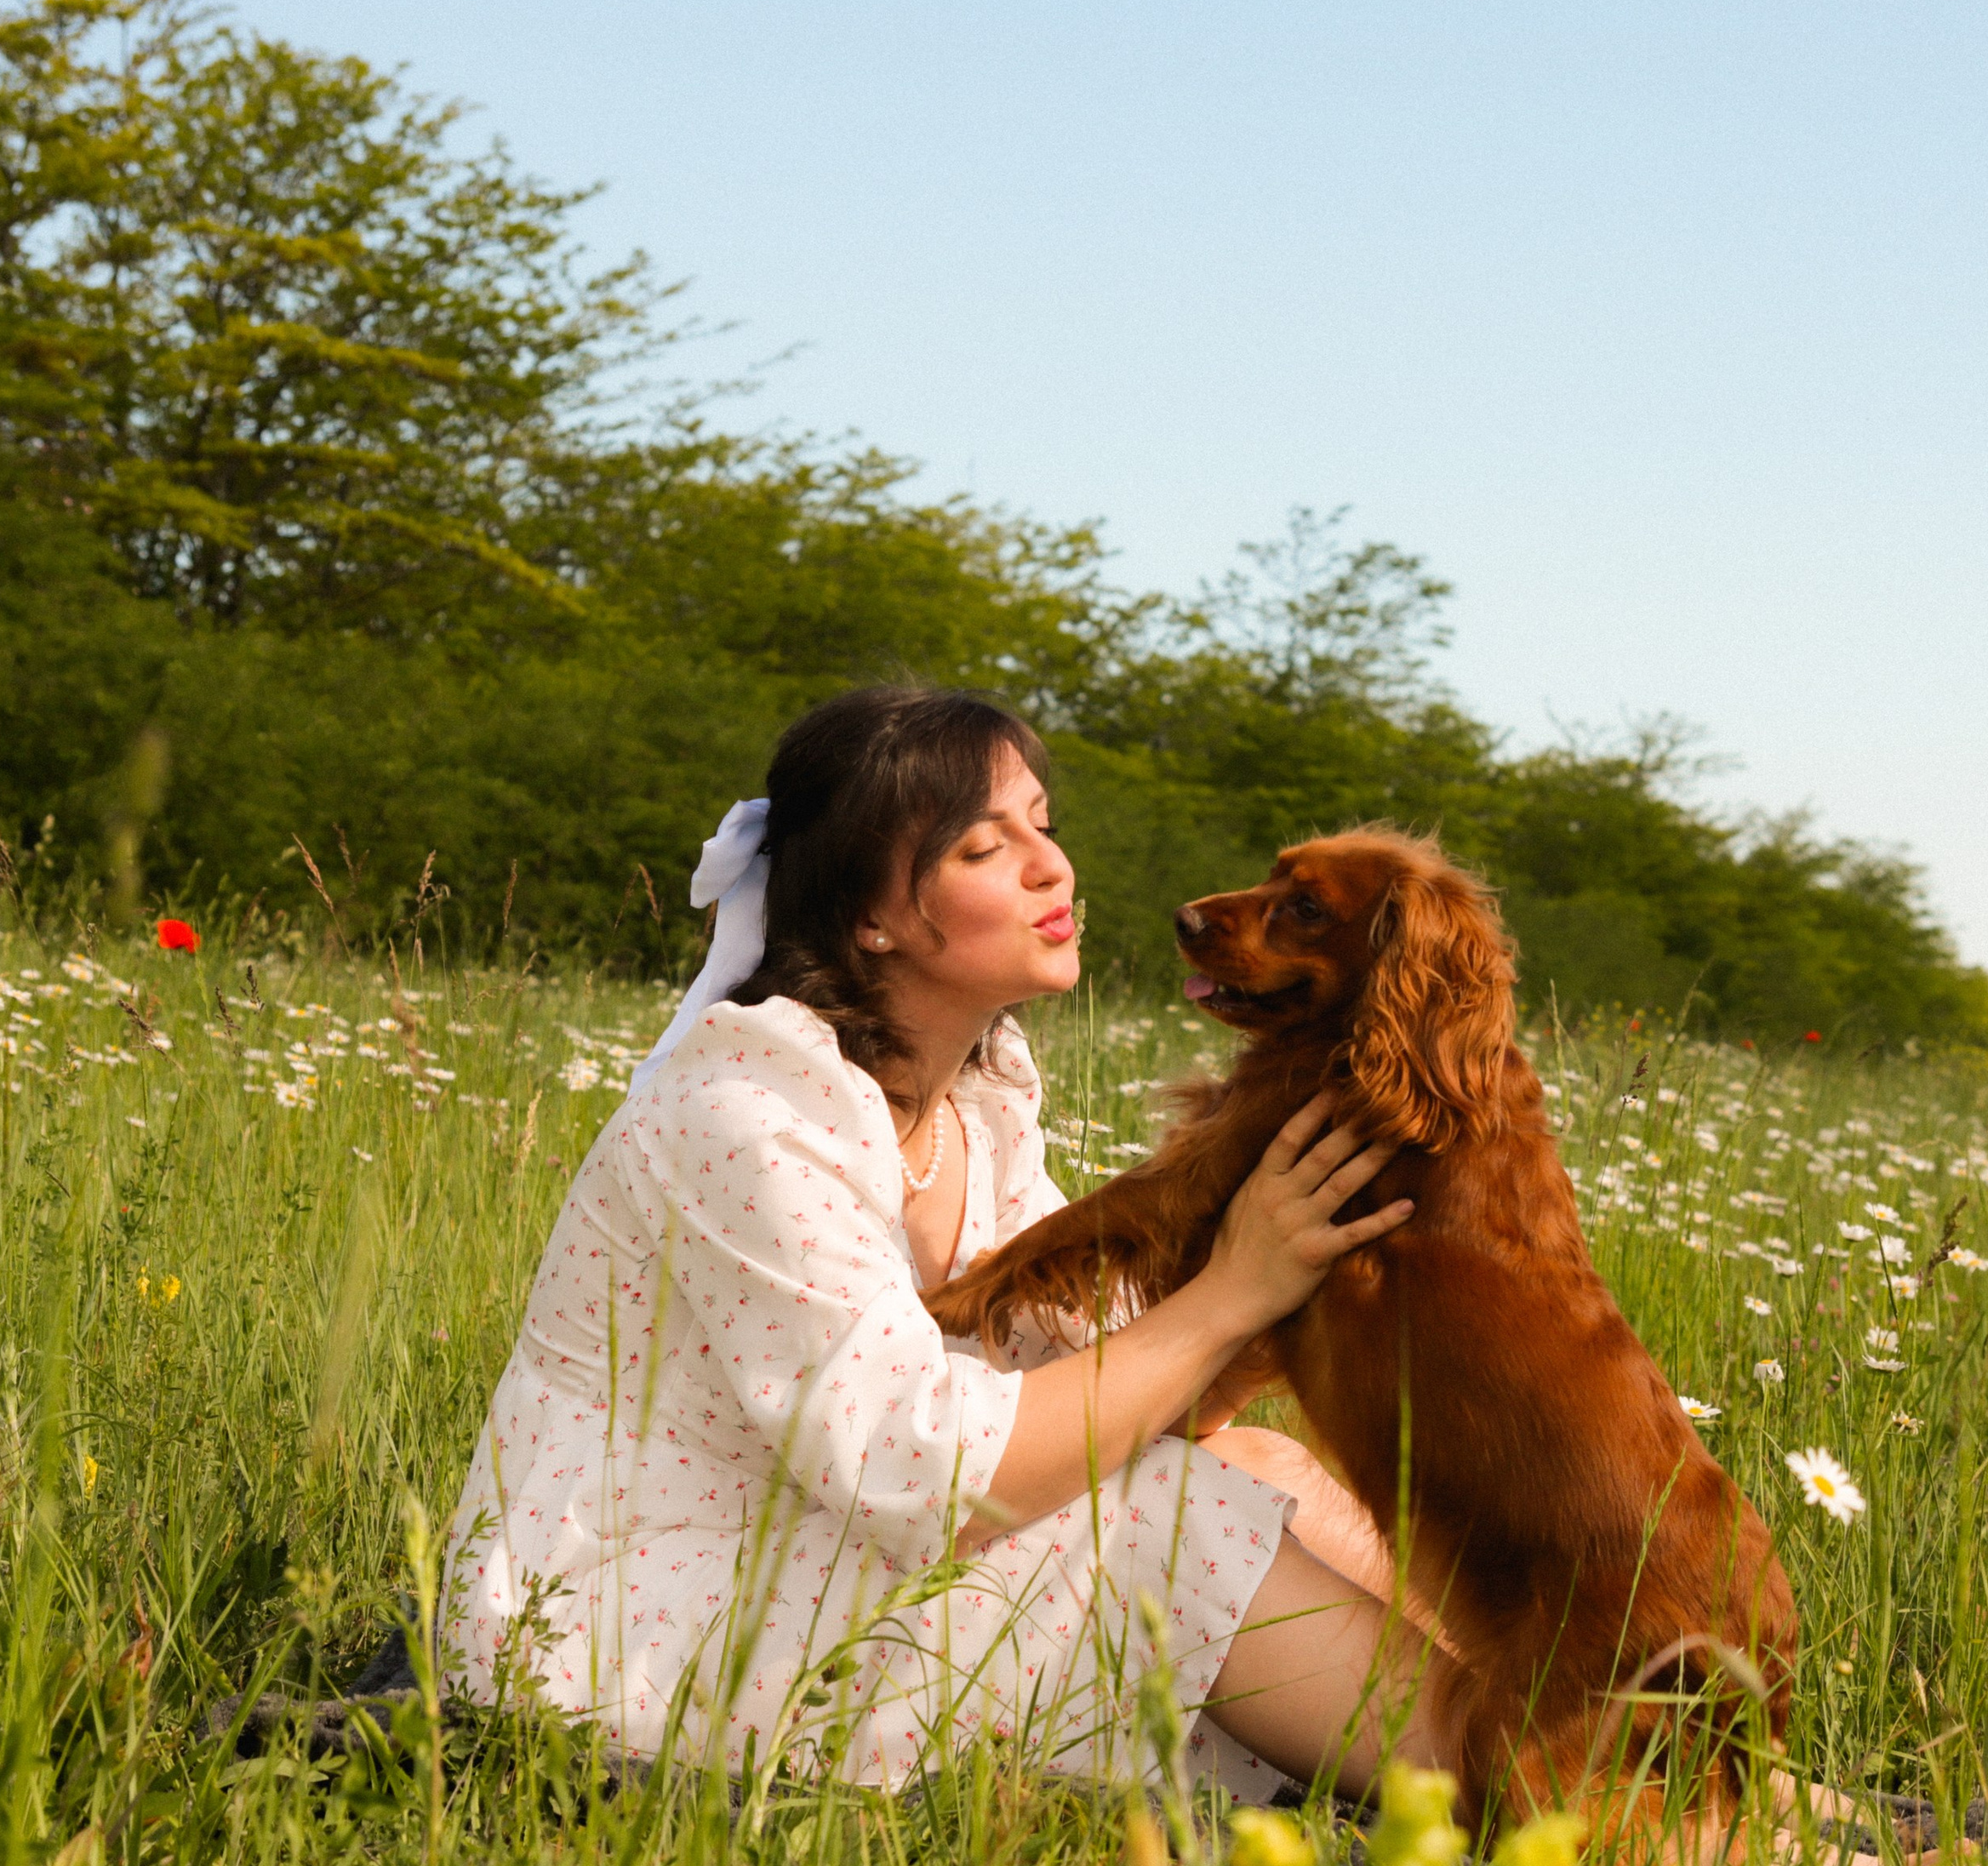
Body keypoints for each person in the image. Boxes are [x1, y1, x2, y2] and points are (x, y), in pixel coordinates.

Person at [441, 684, 1442, 1801]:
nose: (1050, 866)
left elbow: (1116, 1387)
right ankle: (1582, 1812)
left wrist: (1312, 1261)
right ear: (872, 915)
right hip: (626, 1626)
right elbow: (928, 1475)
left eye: (1042, 825)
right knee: (1171, 1520)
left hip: (811, 1565)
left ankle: (1574, 1724)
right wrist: (1233, 1296)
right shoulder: (753, 1111)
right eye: (984, 844)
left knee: (1258, 1471)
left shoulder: (978, 1104)